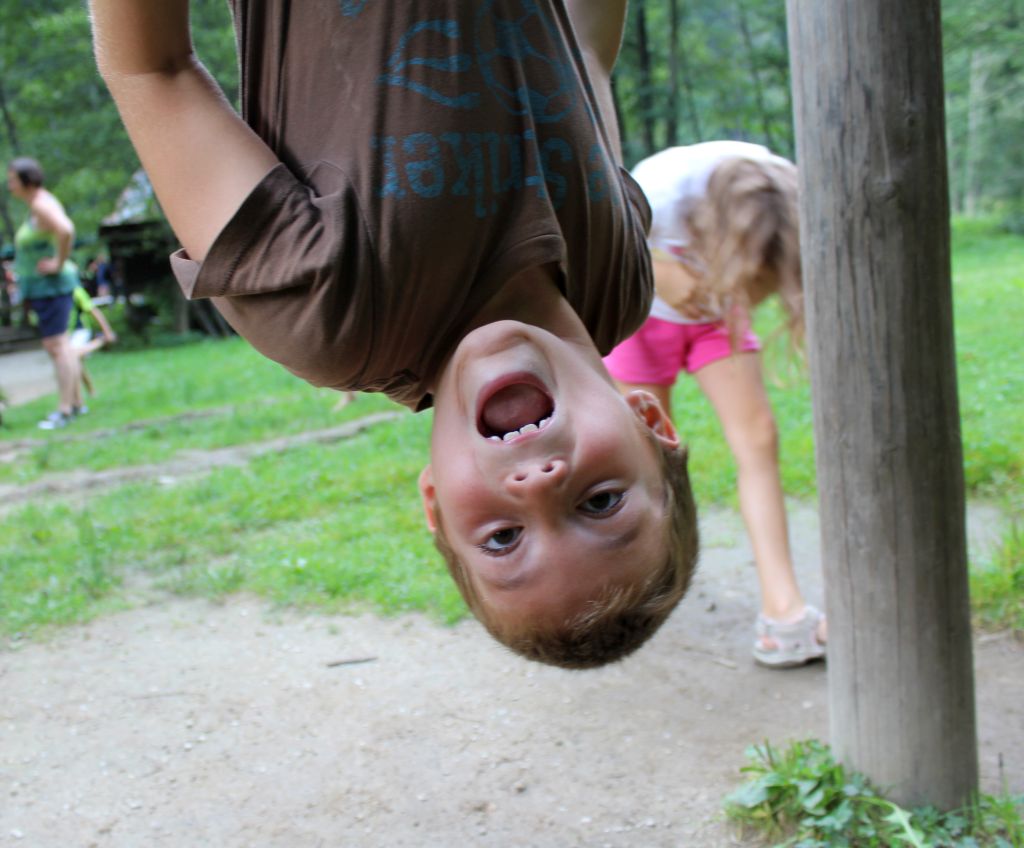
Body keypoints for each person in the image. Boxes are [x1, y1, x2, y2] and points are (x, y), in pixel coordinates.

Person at [90, 0, 698, 668]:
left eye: (502, 539)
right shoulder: (618, 280)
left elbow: (154, 70)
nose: (540, 483)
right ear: (650, 421)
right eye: (601, 502)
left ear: (435, 502)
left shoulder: (337, 316)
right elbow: (585, 52)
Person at [604, 141, 825, 668]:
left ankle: (783, 611)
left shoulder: (786, 190)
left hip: (715, 318)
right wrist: (656, 266)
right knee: (653, 459)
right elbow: (590, 244)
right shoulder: (656, 190)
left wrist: (734, 297)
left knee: (758, 440)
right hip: (643, 314)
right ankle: (641, 598)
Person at [6, 157, 84, 430]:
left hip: (51, 287)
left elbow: (66, 230)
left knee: (57, 346)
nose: (9, 184)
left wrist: (58, 263)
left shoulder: (40, 204)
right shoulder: (38, 203)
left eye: (12, 179)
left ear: (27, 180)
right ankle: (74, 404)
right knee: (61, 345)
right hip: (46, 288)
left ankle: (64, 410)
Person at [68, 284, 118, 402]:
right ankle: (90, 392)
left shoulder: (76, 291)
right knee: (76, 363)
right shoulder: (54, 290)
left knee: (72, 356)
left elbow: (94, 311)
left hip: (80, 331)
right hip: (66, 334)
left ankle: (77, 402)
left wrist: (107, 331)